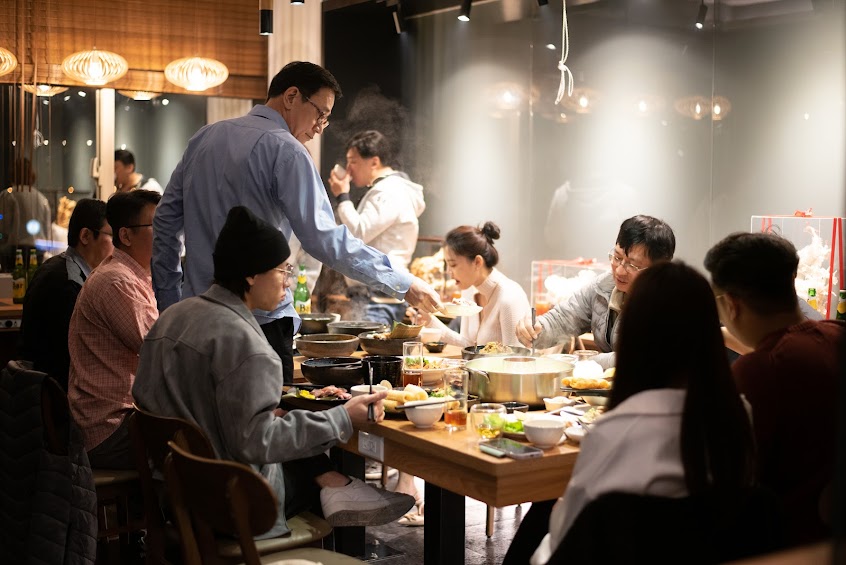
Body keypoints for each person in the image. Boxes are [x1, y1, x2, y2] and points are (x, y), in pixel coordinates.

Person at [152, 61, 441, 383]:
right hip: (259, 322)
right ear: (291, 97)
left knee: (199, 412)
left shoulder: (204, 137)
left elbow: (165, 222)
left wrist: (170, 305)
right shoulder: (287, 150)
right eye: (320, 114)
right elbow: (324, 239)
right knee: (264, 413)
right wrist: (402, 282)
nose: (320, 127)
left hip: (195, 317)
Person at [134, 206, 414, 535]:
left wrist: (277, 414)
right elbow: (258, 443)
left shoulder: (170, 318)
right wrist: (343, 417)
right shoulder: (249, 345)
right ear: (251, 275)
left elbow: (169, 403)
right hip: (235, 506)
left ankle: (341, 486)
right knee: (320, 479)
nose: (288, 281)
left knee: (301, 444)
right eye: (283, 270)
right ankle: (340, 493)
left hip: (176, 495)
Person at [527, 261, 755, 564]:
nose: (621, 268)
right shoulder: (740, 415)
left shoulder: (614, 430)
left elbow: (568, 535)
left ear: (635, 335)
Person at [704, 232, 841, 546]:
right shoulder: (835, 335)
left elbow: (728, 477)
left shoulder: (759, 371)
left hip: (788, 543)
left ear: (732, 305)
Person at [68, 190, 161, 469]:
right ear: (126, 235)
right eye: (157, 225)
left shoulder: (131, 275)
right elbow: (161, 350)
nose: (168, 232)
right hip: (110, 428)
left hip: (117, 418)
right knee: (201, 440)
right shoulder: (118, 282)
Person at [515, 215, 675, 369]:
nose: (619, 271)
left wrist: (587, 364)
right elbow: (563, 319)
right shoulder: (603, 286)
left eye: (633, 265)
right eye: (617, 257)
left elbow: (639, 358)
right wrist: (536, 328)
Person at [327, 130, 426, 326]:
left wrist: (343, 196)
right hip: (380, 292)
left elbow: (359, 232)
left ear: (374, 162)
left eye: (353, 161)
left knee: (372, 345)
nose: (349, 169)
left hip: (377, 296)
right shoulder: (390, 189)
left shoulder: (389, 191)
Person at [19, 198, 113, 390]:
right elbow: (72, 354)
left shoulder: (58, 266)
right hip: (53, 393)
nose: (117, 246)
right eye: (112, 236)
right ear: (85, 236)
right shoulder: (68, 281)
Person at [415, 222, 530, 348]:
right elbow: (469, 346)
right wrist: (429, 321)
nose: (448, 271)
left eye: (453, 264)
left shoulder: (509, 297)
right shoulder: (470, 289)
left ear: (477, 262)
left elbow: (516, 356)